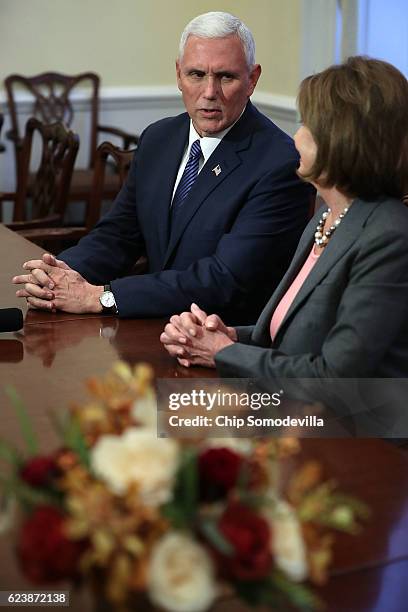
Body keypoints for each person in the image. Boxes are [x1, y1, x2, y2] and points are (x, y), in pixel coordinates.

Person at [12, 11, 312, 325]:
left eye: (226, 76)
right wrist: (60, 274)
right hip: (149, 326)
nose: (210, 92)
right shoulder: (159, 137)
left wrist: (102, 296)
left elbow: (225, 279)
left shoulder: (280, 162)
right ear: (179, 74)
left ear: (252, 79)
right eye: (197, 74)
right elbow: (118, 235)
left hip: (219, 341)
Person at [161, 56, 408, 380]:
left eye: (307, 124)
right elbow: (293, 338)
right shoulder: (325, 217)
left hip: (352, 425)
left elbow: (334, 375)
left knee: (164, 418)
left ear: (343, 139)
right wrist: (227, 337)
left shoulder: (389, 235)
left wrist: (222, 352)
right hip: (293, 408)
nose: (296, 135)